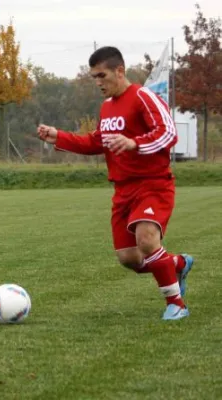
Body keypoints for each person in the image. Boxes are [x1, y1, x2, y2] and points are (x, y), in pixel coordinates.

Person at [37, 46, 193, 321]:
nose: (98, 82)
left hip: (152, 184)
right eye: (93, 77)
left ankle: (176, 304)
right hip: (122, 191)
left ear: (119, 71)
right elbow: (97, 142)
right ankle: (177, 264)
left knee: (146, 240)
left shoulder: (144, 97)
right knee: (129, 259)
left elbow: (168, 132)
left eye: (101, 75)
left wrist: (135, 143)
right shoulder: (107, 107)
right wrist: (58, 137)